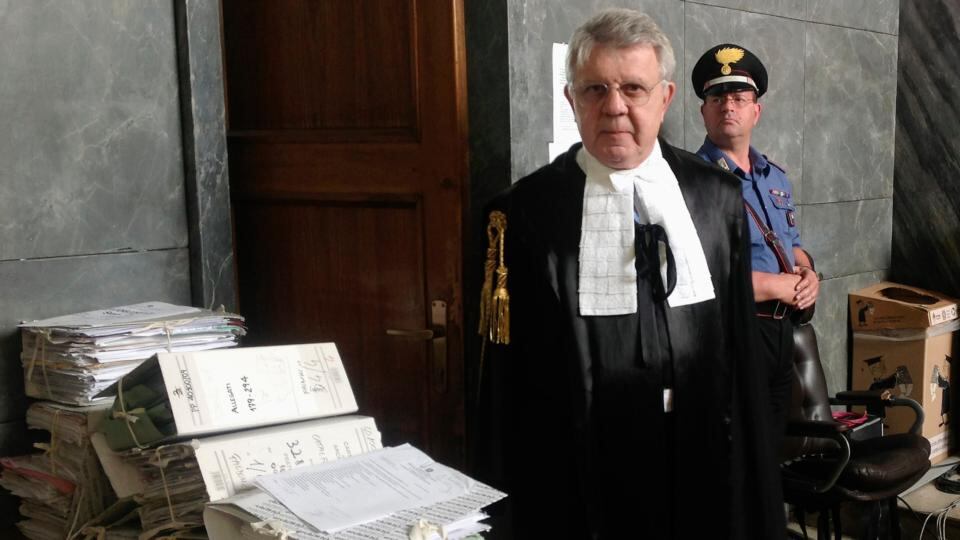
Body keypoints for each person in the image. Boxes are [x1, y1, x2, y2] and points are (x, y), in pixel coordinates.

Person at [474, 10, 784, 539]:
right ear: (572, 101)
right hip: (577, 471)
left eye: (633, 89)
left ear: (664, 98)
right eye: (596, 89)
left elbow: (739, 357)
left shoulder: (716, 198)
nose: (615, 107)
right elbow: (505, 391)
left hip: (700, 452)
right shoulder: (523, 213)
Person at [692, 44, 820, 443]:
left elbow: (792, 243)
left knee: (773, 452)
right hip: (732, 334)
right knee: (736, 456)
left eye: (738, 98)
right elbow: (701, 273)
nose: (728, 106)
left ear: (755, 111)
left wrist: (808, 273)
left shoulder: (776, 178)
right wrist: (777, 285)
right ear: (704, 111)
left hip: (781, 334)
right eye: (717, 98)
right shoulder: (693, 180)